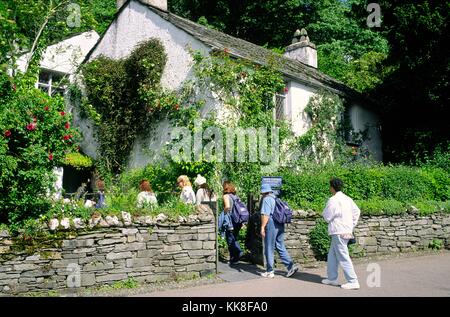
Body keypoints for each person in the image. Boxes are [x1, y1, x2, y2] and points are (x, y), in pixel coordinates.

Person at [321, 177, 361, 290]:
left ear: (332, 187)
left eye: (330, 187)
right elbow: (357, 211)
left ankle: (353, 281)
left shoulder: (333, 200)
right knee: (332, 255)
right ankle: (332, 278)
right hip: (346, 230)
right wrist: (351, 224)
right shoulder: (347, 199)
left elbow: (327, 216)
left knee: (343, 256)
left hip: (338, 231)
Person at [259, 184, 298, 278]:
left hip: (271, 223)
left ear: (263, 192)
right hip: (280, 223)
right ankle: (290, 266)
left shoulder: (266, 199)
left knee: (269, 247)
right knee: (280, 245)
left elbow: (265, 215)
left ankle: (270, 271)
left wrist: (262, 227)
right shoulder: (276, 198)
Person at [222, 181, 243, 265]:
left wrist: (223, 213)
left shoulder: (226, 196)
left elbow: (227, 206)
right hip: (238, 220)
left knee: (230, 239)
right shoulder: (236, 196)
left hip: (231, 220)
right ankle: (235, 256)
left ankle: (236, 256)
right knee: (234, 237)